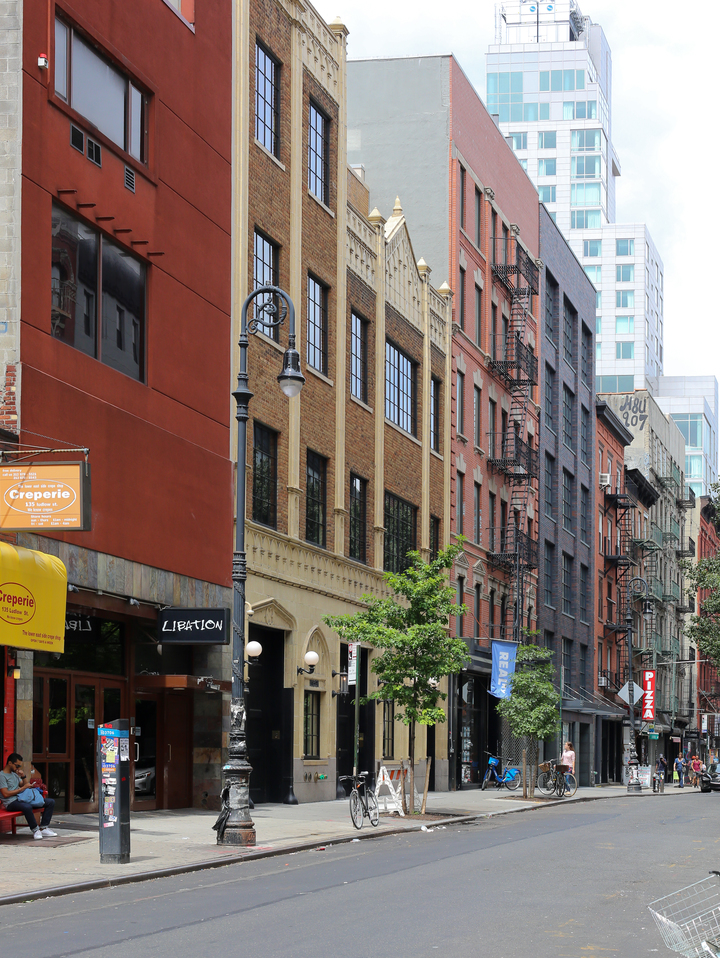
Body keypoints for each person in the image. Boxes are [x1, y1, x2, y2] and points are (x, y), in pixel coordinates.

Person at [0, 752, 57, 839]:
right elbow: (5, 794)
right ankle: (35, 830)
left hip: (21, 798)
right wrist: (22, 789)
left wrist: (23, 776)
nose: (18, 768)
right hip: (11, 802)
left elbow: (24, 785)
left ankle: (44, 827)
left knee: (50, 802)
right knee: (27, 807)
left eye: (20, 766)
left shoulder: (14, 774)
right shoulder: (2, 776)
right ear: (10, 763)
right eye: (17, 765)